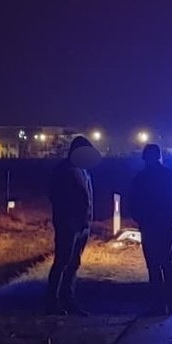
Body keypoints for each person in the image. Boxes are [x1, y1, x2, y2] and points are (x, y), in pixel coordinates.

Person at [128, 144, 172, 316]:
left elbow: (133, 202)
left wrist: (140, 218)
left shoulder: (140, 177)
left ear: (145, 158)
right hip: (166, 225)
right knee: (168, 263)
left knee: (153, 265)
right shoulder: (171, 175)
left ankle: (158, 304)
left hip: (149, 225)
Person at [46, 135, 99, 315]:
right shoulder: (64, 170)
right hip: (68, 225)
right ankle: (52, 301)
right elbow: (56, 196)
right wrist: (68, 219)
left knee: (73, 262)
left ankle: (67, 298)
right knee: (62, 261)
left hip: (82, 224)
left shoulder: (83, 171)